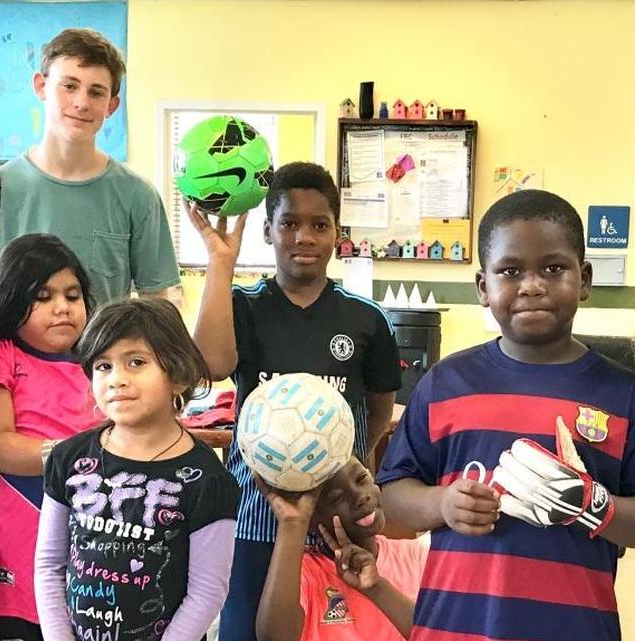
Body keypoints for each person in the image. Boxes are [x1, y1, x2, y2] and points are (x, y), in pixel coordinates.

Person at [377, 189, 635, 641]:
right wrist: (442, 504)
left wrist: (591, 505)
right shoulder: (445, 384)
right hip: (453, 628)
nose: (532, 284)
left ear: (584, 279)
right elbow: (393, 492)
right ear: (484, 287)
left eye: (553, 268)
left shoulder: (627, 396)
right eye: (510, 271)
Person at [189, 161, 402, 641]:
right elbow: (213, 367)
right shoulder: (243, 304)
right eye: (289, 223)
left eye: (319, 224)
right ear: (268, 230)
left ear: (336, 234)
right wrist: (220, 265)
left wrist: (356, 470)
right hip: (258, 511)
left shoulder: (366, 319)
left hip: (337, 516)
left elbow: (379, 406)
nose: (304, 236)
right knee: (248, 630)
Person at [35, 298, 238, 641]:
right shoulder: (67, 458)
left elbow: (206, 593)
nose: (116, 379)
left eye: (136, 362)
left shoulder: (208, 479)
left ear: (178, 376)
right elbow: (49, 566)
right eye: (103, 366)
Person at [0, 28, 180, 306]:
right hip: (8, 349)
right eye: (69, 86)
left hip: (100, 350)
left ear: (111, 105)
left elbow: (157, 302)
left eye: (96, 92)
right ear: (41, 86)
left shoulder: (138, 195)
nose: (81, 103)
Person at [0, 233, 102, 641]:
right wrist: (91, 456)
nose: (62, 308)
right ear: (11, 297)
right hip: (15, 541)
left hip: (91, 541)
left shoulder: (99, 361)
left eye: (72, 295)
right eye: (43, 296)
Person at [255, 457, 427, 641]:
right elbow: (275, 638)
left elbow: (441, 633)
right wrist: (293, 523)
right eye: (337, 498)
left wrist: (376, 587)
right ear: (312, 520)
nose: (360, 497)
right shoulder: (301, 573)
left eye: (361, 479)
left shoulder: (417, 556)